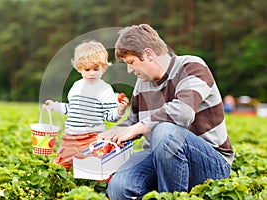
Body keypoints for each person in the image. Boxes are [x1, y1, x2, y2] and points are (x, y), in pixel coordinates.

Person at [97, 24, 234, 199]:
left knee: (165, 132)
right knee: (119, 187)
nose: (129, 70)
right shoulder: (142, 83)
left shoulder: (192, 66)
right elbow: (133, 122)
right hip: (159, 157)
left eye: (131, 63)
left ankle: (171, 196)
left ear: (148, 54)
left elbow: (183, 111)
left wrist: (138, 127)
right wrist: (114, 132)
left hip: (210, 162)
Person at [43, 40, 129, 170]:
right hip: (71, 138)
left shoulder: (105, 89)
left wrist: (119, 111)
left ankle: (103, 187)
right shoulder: (76, 86)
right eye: (87, 69)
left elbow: (108, 116)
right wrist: (54, 106)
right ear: (79, 68)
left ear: (103, 67)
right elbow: (71, 108)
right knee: (59, 166)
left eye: (96, 69)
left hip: (92, 138)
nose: (92, 73)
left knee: (100, 167)